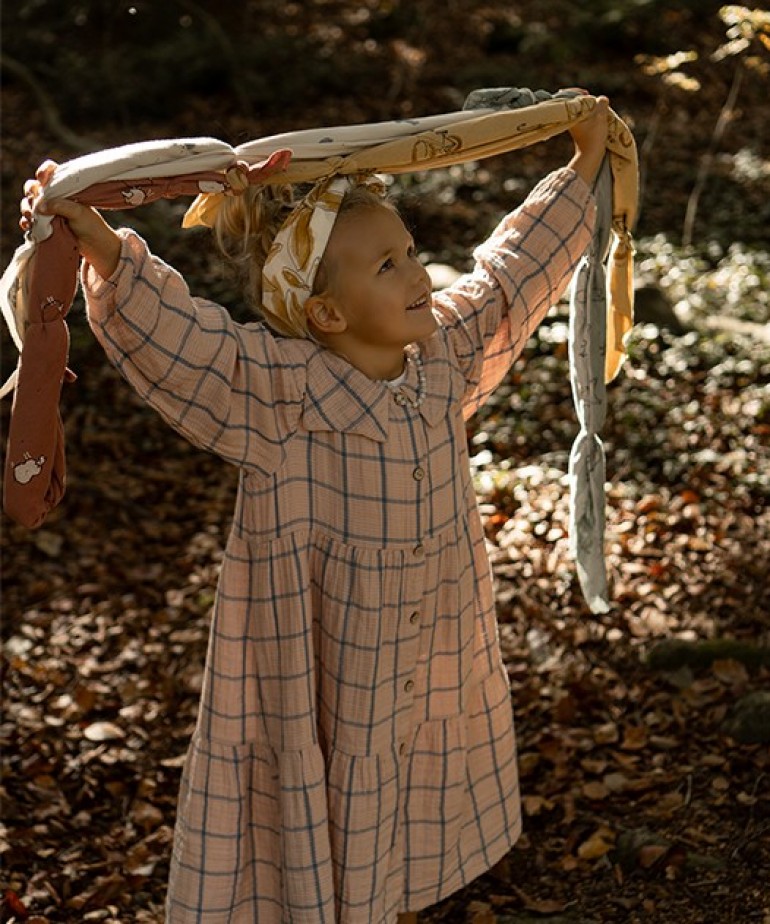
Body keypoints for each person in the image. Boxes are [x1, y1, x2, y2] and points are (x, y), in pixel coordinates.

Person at [21, 95, 610, 924]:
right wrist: (104, 247)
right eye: (387, 267)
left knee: (402, 802)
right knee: (329, 803)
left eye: (410, 253)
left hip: (426, 652)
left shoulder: (440, 359)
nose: (418, 274)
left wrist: (584, 167)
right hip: (319, 664)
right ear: (326, 314)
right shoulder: (279, 393)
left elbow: (510, 279)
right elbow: (190, 344)